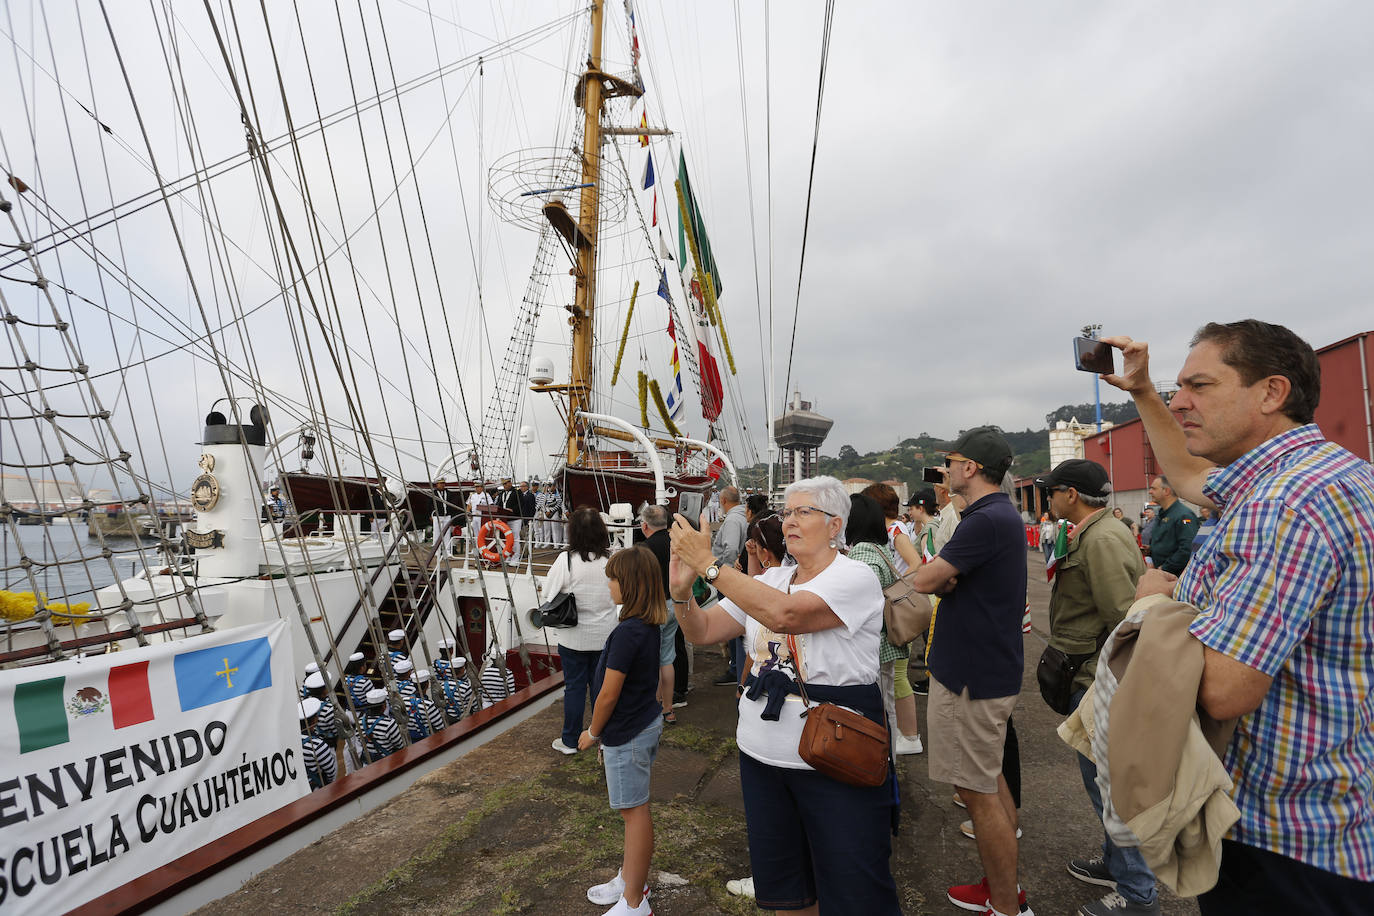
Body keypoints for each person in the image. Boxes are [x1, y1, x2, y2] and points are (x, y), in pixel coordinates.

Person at [1101, 320, 1374, 915]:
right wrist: (1143, 393)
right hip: (1334, 806)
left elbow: (1226, 688)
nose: (1181, 401)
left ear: (1271, 393)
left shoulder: (1283, 503)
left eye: (1199, 386)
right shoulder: (1325, 475)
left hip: (1282, 835)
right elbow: (1191, 476)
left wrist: (1153, 604)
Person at [668, 475, 901, 915]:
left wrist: (711, 566)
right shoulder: (771, 577)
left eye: (803, 511)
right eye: (786, 512)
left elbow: (787, 614)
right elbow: (704, 631)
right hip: (761, 757)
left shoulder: (856, 576)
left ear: (835, 525)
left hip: (835, 759)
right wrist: (681, 596)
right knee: (786, 888)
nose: (790, 521)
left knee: (856, 889)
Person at [910, 427, 1033, 916]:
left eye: (951, 461)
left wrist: (942, 575)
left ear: (971, 468)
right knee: (988, 781)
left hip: (971, 679)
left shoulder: (984, 520)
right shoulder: (992, 516)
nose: (945, 470)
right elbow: (945, 578)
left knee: (979, 793)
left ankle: (1005, 905)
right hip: (981, 671)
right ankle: (1002, 887)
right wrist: (947, 577)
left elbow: (925, 578)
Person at [1033, 459, 1156, 916]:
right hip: (1087, 673)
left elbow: (1123, 615)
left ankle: (1138, 892)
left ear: (1070, 494)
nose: (1048, 498)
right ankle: (1116, 864)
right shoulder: (1092, 531)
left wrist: (1115, 684)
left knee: (1109, 788)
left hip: (1096, 679)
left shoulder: (1101, 538)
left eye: (1052, 490)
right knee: (1102, 783)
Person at [580, 547, 668, 916]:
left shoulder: (628, 633)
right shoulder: (644, 626)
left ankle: (634, 901)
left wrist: (593, 732)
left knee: (634, 813)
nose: (609, 585)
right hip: (641, 723)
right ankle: (630, 878)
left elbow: (608, 694)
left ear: (628, 584)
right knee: (632, 810)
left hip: (626, 733)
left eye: (613, 579)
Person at [847, 493, 925, 758]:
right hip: (887, 643)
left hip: (875, 647)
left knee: (878, 709)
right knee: (887, 705)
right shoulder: (876, 548)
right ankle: (888, 764)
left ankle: (883, 765)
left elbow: (860, 604)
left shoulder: (861, 553)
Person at [544, 506, 619, 755]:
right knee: (602, 689)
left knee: (575, 688)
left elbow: (548, 595)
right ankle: (603, 737)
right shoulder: (612, 560)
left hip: (573, 637)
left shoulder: (565, 560)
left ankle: (570, 741)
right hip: (605, 636)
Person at [638, 503, 679, 724]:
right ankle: (668, 708)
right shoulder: (675, 543)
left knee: (652, 659)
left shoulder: (645, 548)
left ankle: (653, 706)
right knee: (667, 657)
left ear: (645, 525)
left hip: (655, 606)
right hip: (675, 604)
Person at [712, 486, 749, 686]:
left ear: (724, 501)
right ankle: (738, 665)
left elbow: (732, 547)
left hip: (728, 577)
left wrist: (722, 570)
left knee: (732, 624)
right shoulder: (743, 516)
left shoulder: (733, 520)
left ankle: (736, 668)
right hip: (739, 576)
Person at [1145, 476, 1197, 574]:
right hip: (1160, 574)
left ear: (1167, 491)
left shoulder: (1183, 515)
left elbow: (1187, 549)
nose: (1150, 492)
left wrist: (1165, 567)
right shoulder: (1162, 515)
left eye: (1154, 489)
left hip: (1175, 578)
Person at [299, 698, 337, 789]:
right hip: (317, 789)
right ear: (315, 719)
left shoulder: (292, 741)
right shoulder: (318, 745)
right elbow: (331, 772)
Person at [359, 687, 404, 762]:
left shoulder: (360, 722)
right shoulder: (389, 723)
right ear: (384, 706)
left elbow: (360, 741)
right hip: (387, 762)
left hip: (368, 762)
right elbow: (400, 745)